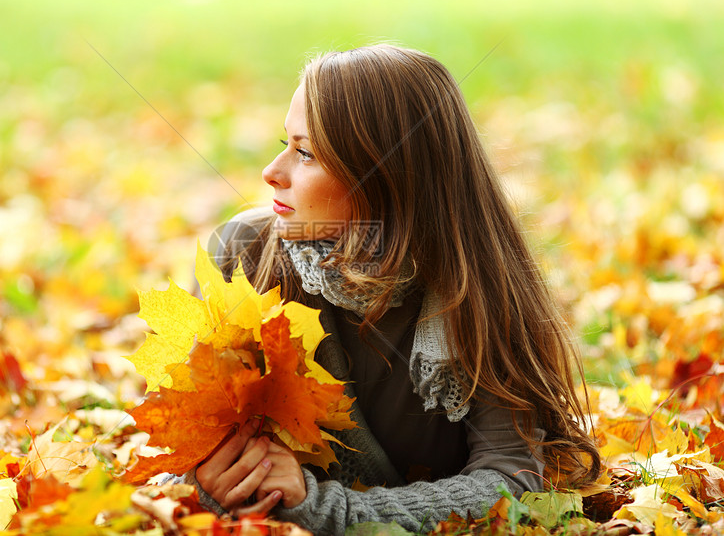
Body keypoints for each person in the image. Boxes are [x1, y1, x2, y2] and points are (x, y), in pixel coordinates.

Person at [184, 44, 600, 535]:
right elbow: (187, 452)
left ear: (383, 176)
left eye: (305, 153)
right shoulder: (243, 257)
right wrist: (209, 483)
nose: (271, 173)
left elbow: (512, 482)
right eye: (285, 143)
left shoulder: (477, 285)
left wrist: (325, 510)